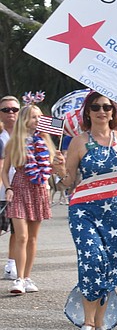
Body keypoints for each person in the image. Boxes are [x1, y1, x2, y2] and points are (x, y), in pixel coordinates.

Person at [52, 91, 117, 330]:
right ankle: (87, 323)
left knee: (111, 266)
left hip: (116, 211)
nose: (101, 111)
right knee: (92, 260)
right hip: (84, 211)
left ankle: (101, 324)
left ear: (113, 111)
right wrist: (58, 169)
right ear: (88, 112)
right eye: (96, 107)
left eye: (106, 107)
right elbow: (67, 183)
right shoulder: (79, 141)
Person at [2, 97, 56, 295]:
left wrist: (58, 161)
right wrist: (8, 187)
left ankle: (27, 277)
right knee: (21, 236)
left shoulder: (46, 142)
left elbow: (55, 170)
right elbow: (5, 170)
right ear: (25, 120)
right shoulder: (15, 143)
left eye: (40, 117)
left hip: (39, 189)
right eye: (34, 117)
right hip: (19, 187)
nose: (37, 120)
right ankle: (18, 278)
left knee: (33, 238)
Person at [0, 96, 20, 281]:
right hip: (2, 190)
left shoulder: (26, 136)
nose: (11, 113)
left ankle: (11, 265)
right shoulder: (0, 137)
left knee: (17, 231)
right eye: (6, 110)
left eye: (14, 109)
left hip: (21, 190)